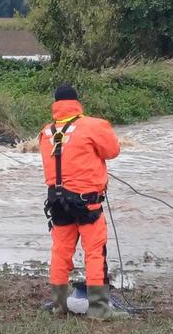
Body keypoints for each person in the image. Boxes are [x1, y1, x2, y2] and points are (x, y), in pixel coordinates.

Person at [39, 83, 128, 320]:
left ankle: (59, 307)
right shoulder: (93, 125)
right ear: (77, 102)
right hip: (87, 203)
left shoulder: (45, 132)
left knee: (60, 252)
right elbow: (113, 150)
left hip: (57, 203)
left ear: (55, 105)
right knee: (94, 252)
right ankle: (99, 309)